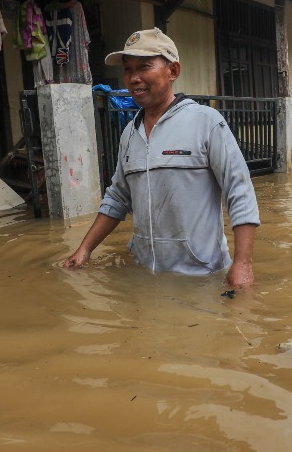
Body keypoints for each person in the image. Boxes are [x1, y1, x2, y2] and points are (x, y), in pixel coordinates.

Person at [62, 28, 260, 288]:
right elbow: (118, 198)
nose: (133, 79)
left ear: (173, 71)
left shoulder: (206, 122)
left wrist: (243, 263)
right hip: (146, 275)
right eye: (128, 69)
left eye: (144, 67)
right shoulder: (129, 134)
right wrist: (84, 250)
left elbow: (240, 191)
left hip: (202, 276)